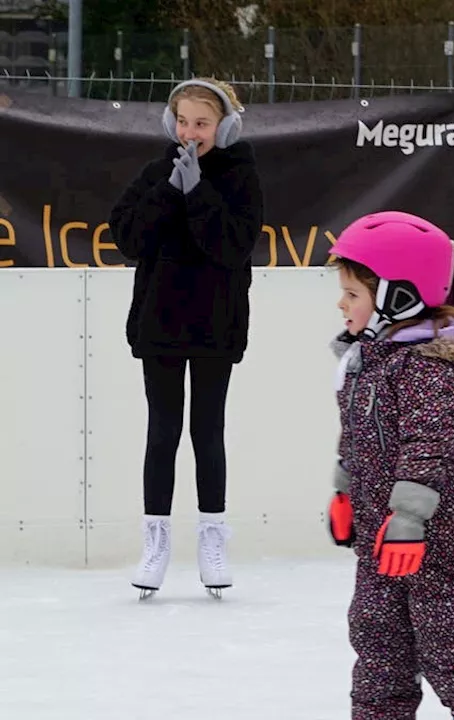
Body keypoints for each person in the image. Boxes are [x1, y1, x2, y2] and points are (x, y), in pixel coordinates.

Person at [325, 211, 454, 720]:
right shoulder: (368, 359)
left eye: (353, 294)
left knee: (447, 637)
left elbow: (430, 444)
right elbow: (355, 437)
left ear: (397, 297)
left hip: (439, 531)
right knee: (375, 635)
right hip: (380, 530)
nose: (342, 304)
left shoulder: (431, 363)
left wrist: (409, 519)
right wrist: (345, 493)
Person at [108, 77, 262, 599]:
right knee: (162, 431)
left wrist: (199, 193)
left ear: (226, 126)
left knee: (207, 431)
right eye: (183, 122)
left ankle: (213, 537)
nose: (191, 132)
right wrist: (170, 190)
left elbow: (232, 246)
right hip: (162, 322)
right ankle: (155, 541)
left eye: (202, 123)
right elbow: (127, 236)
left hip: (216, 322)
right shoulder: (158, 172)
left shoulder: (241, 176)